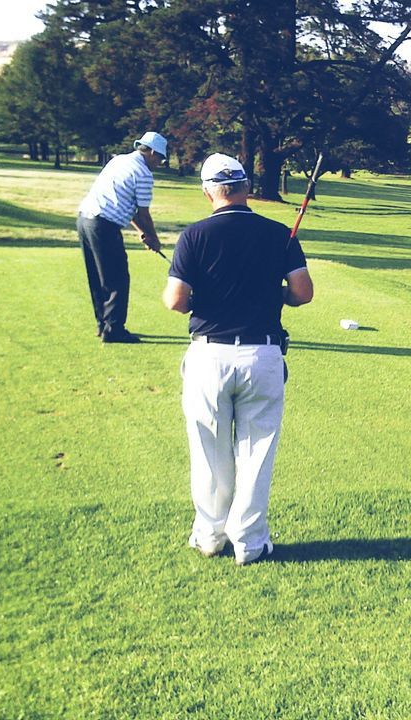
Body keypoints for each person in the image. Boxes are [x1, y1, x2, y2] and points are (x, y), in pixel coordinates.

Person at [162, 153, 314, 566]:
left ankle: (209, 536)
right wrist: (273, 294)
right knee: (256, 452)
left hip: (209, 356)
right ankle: (249, 542)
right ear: (246, 188)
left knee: (210, 452)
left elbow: (175, 301)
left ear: (209, 191)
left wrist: (202, 296)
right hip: (262, 354)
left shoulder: (194, 235)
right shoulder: (280, 233)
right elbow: (301, 293)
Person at [77, 131, 168, 343]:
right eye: (160, 158)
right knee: (117, 278)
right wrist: (154, 239)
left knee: (98, 277)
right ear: (152, 151)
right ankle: (114, 330)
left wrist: (141, 232)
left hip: (84, 220)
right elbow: (143, 213)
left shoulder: (118, 160)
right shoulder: (143, 173)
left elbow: (129, 207)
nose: (159, 163)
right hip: (103, 225)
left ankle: (104, 325)